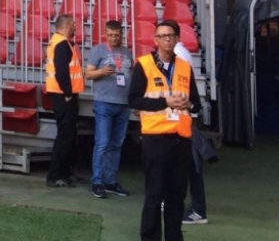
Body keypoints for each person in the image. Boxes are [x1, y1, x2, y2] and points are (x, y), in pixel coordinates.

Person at [128, 19, 202, 241]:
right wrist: (166, 102)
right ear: (155, 40)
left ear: (177, 39)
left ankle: (174, 236)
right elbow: (133, 100)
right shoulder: (143, 65)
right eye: (162, 36)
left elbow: (196, 104)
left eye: (171, 35)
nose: (167, 39)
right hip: (155, 139)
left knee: (177, 195)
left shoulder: (185, 67)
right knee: (154, 194)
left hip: (181, 140)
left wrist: (186, 104)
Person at [85, 19, 133, 199]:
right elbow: (88, 74)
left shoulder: (128, 53)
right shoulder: (98, 50)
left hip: (123, 103)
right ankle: (96, 181)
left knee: (116, 144)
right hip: (104, 102)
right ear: (105, 34)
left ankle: (110, 180)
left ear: (122, 35)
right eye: (111, 35)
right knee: (103, 142)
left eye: (117, 35)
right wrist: (101, 72)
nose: (114, 38)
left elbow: (132, 75)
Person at [45, 14, 84, 188]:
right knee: (65, 136)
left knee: (69, 136)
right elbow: (62, 71)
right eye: (74, 25)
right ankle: (55, 176)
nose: (76, 28)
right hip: (64, 95)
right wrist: (68, 92)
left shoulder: (61, 42)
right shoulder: (61, 44)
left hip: (63, 94)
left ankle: (65, 173)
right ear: (67, 25)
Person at [173, 39, 208, 226]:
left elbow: (185, 93)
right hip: (183, 118)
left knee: (191, 166)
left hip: (184, 119)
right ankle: (191, 207)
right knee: (183, 165)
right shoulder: (181, 55)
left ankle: (198, 209)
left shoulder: (179, 57)